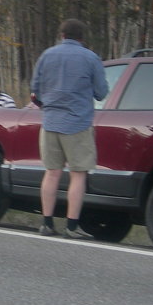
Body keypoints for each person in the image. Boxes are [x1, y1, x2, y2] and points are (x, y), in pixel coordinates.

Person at [30, 18, 108, 238]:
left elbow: (35, 89)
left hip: (50, 121)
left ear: (62, 35)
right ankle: (72, 226)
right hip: (78, 123)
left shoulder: (47, 55)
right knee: (78, 174)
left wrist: (47, 103)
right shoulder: (91, 58)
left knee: (52, 173)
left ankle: (46, 223)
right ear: (82, 38)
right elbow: (101, 92)